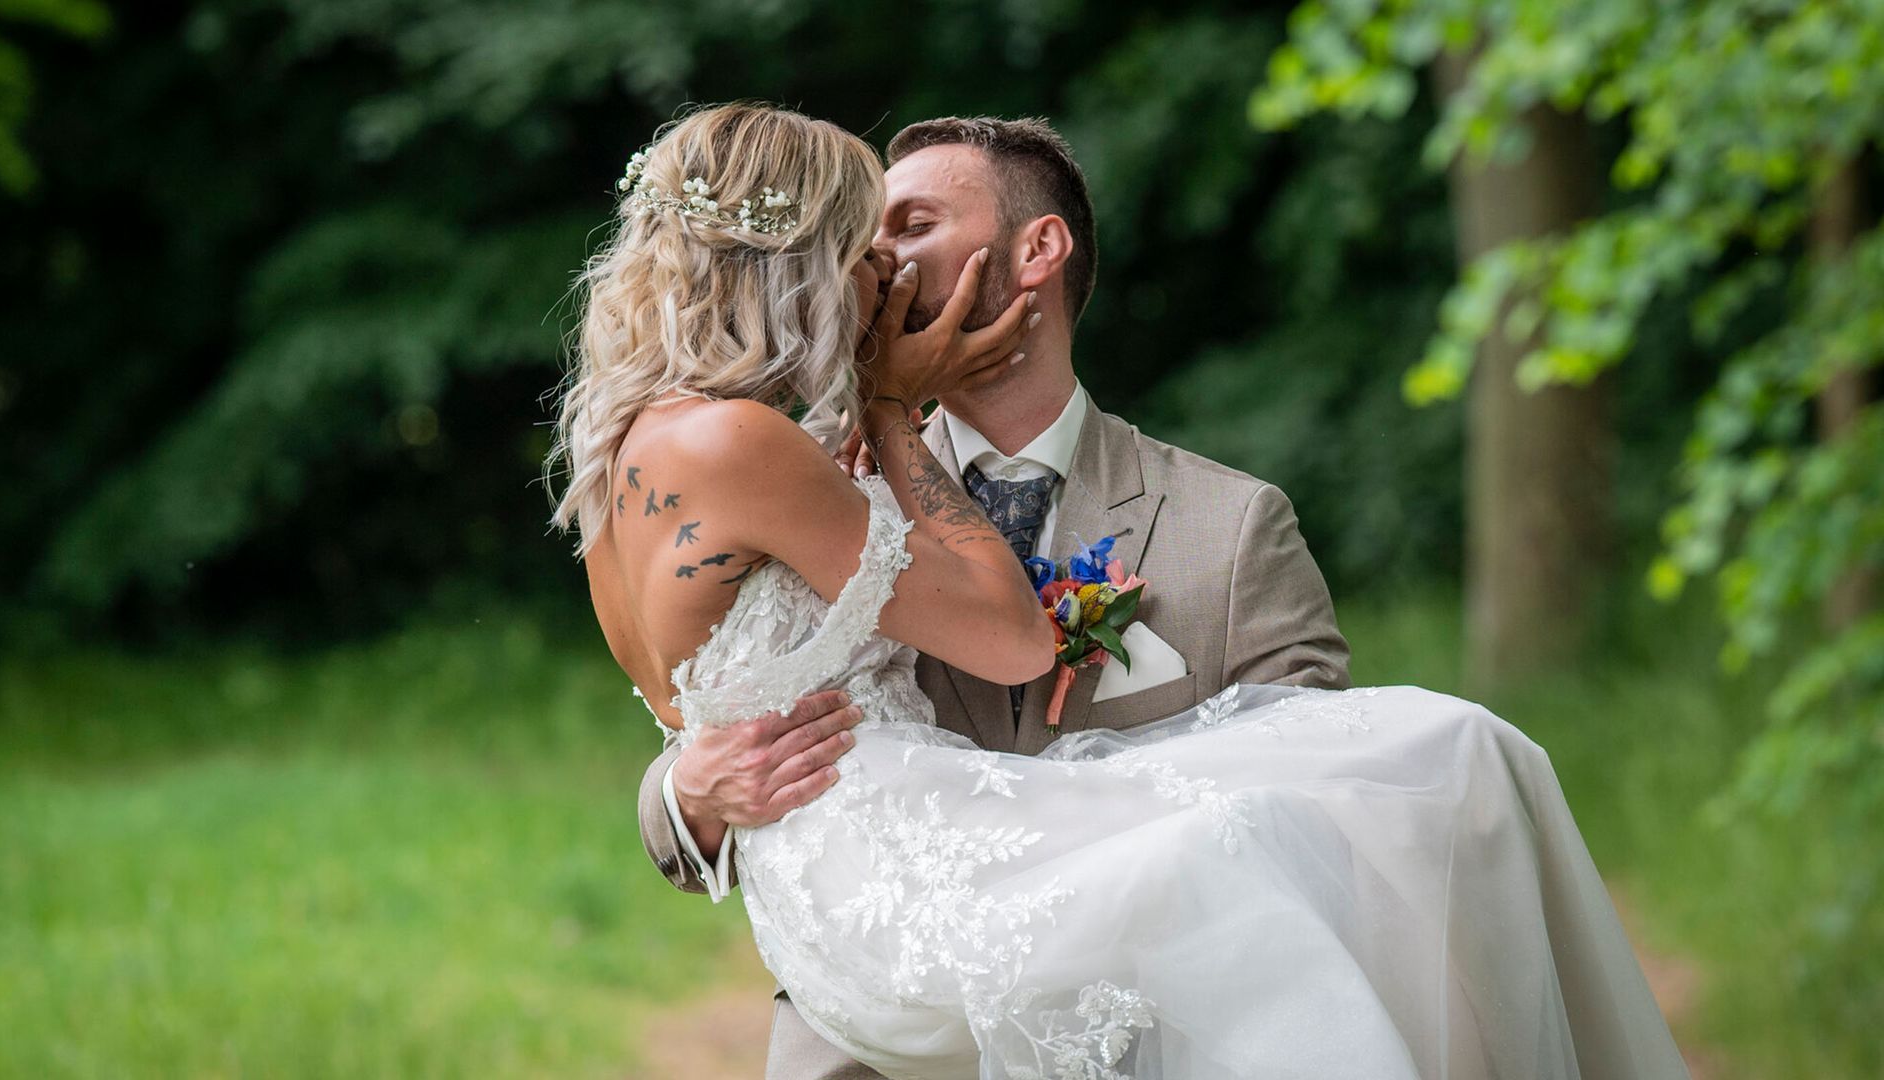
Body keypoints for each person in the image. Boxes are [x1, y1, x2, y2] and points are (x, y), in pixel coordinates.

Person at [549, 103, 1689, 1080]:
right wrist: (690, 794)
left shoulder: (1229, 527)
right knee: (1226, 851)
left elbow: (1331, 819)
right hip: (892, 998)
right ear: (794, 263)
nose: (881, 267)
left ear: (1037, 253)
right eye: (863, 235)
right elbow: (733, 727)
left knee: (1445, 758)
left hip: (1152, 1034)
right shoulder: (789, 458)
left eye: (909, 228)